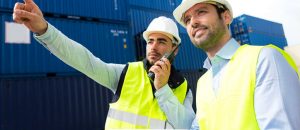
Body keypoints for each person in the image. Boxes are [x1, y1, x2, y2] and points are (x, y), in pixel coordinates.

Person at [13, 0, 195, 129]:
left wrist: (162, 89)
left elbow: (187, 127)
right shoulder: (125, 74)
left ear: (175, 49)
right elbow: (83, 59)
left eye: (162, 41)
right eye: (150, 41)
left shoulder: (184, 89)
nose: (153, 47)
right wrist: (44, 29)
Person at [173, 0, 300, 129]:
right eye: (187, 20)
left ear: (226, 17)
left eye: (201, 12)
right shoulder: (203, 83)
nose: (193, 23)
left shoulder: (264, 59)